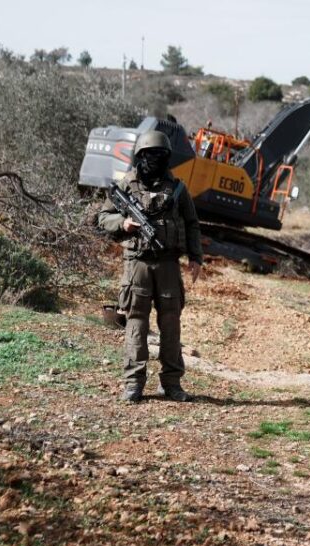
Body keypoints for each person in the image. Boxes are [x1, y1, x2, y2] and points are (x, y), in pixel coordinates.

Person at [98, 130, 203, 403]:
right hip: (137, 265)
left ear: (166, 158)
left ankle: (171, 384)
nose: (153, 160)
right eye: (148, 155)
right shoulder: (126, 186)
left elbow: (192, 224)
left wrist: (196, 258)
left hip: (168, 265)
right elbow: (103, 217)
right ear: (140, 156)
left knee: (171, 326)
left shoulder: (178, 189)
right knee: (136, 325)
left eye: (158, 155)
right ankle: (133, 384)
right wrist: (123, 224)